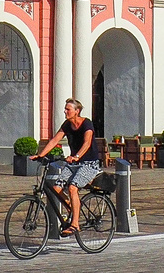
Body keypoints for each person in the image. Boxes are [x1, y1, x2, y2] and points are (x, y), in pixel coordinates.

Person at [35, 98, 103, 237]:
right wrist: (40, 154)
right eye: (65, 109)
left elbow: (87, 143)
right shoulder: (67, 124)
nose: (65, 111)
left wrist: (76, 156)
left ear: (76, 111)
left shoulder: (86, 123)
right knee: (56, 188)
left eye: (68, 109)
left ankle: (75, 224)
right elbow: (55, 139)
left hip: (89, 163)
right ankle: (73, 207)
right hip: (74, 164)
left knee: (72, 187)